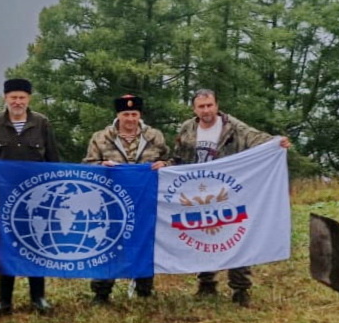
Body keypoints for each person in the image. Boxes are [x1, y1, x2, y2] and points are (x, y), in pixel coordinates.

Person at [172, 89, 291, 306]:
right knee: (203, 238)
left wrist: (276, 142)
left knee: (235, 237)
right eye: (201, 106)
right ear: (194, 109)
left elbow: (255, 138)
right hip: (198, 192)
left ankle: (241, 289)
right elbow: (178, 157)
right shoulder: (187, 128)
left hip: (228, 191)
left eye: (209, 105)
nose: (206, 110)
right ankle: (206, 283)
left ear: (216, 105)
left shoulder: (232, 127)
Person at [0, 77, 60, 317]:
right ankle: (4, 301)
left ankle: (38, 297)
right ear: (5, 99)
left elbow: (53, 160)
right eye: (13, 98)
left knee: (36, 245)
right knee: (4, 247)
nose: (17, 102)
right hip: (2, 199)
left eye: (22, 97)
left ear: (29, 99)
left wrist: (54, 194)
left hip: (36, 199)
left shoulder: (42, 123)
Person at [83, 94, 170, 303]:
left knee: (143, 242)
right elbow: (87, 164)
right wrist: (101, 166)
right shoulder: (101, 137)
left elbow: (168, 158)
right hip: (110, 203)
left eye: (134, 114)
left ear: (139, 115)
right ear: (118, 115)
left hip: (144, 202)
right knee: (107, 244)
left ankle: (144, 289)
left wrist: (165, 164)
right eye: (125, 114)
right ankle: (102, 292)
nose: (130, 119)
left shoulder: (154, 136)